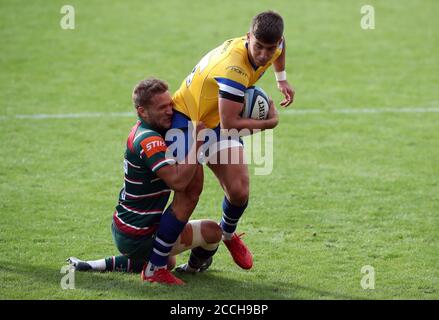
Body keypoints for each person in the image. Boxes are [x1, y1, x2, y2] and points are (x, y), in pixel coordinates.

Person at [162, 10, 295, 271]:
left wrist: (282, 80)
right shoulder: (234, 70)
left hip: (216, 120)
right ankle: (154, 258)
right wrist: (269, 122)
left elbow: (282, 46)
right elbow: (230, 124)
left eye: (271, 48)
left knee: (239, 190)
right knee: (188, 195)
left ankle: (226, 236)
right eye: (259, 47)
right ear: (248, 37)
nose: (264, 55)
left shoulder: (274, 45)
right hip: (188, 122)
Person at [67, 78, 222, 285]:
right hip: (139, 233)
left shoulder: (147, 130)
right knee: (213, 232)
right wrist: (198, 142)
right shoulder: (149, 140)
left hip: (127, 226)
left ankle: (94, 265)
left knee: (169, 261)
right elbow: (178, 182)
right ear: (142, 111)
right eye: (162, 108)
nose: (170, 111)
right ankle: (191, 268)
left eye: (170, 105)